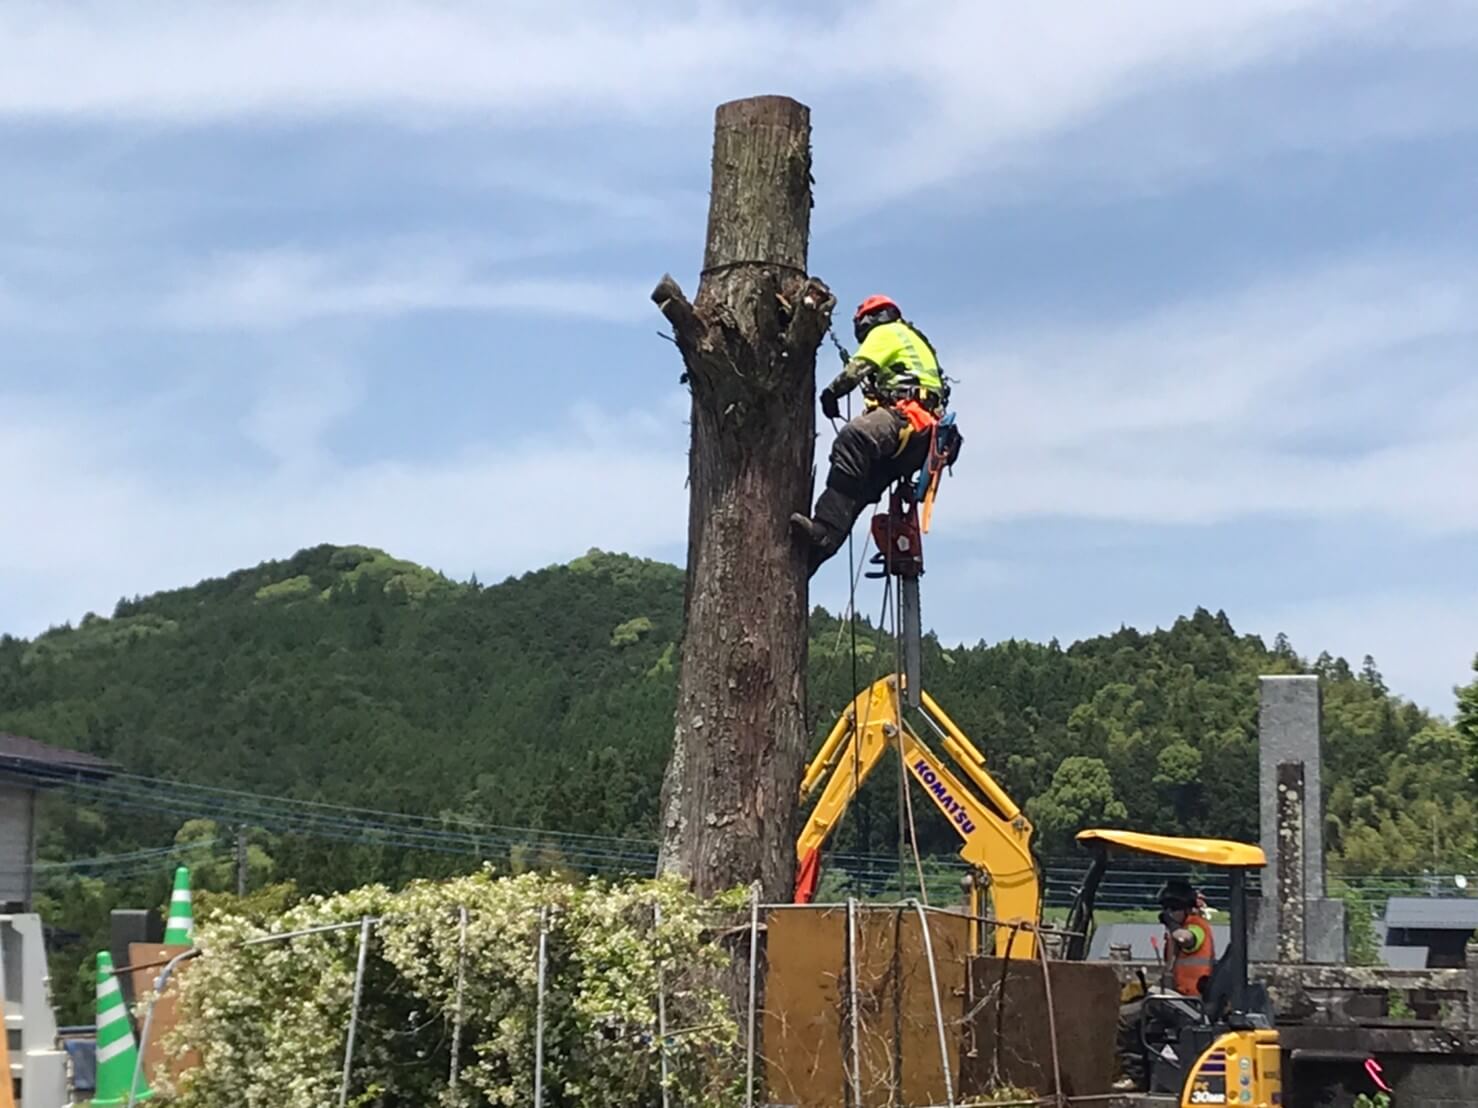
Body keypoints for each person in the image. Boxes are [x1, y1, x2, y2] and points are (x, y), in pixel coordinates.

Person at [789, 294, 954, 576]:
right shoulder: (916, 339)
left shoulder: (887, 332)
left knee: (854, 439)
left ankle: (824, 532)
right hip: (922, 442)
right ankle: (818, 549)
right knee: (857, 490)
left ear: (870, 319)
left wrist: (832, 393)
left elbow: (857, 369)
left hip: (909, 418)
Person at [1114, 879, 1217, 1090]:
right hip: (1178, 998)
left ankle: (1135, 1077)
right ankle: (1144, 1073)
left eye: (1173, 908)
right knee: (1140, 1010)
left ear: (1186, 908)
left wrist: (1171, 924)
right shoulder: (1177, 931)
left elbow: (1185, 939)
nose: (1169, 912)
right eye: (1165, 909)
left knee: (1127, 1018)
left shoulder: (1196, 928)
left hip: (1190, 1004)